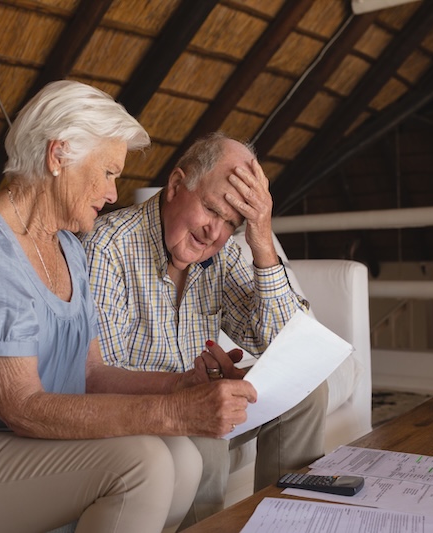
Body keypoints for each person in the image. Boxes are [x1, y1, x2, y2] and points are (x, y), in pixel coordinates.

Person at [0, 81, 257, 533]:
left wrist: (179, 386)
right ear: (57, 157)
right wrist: (172, 413)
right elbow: (23, 407)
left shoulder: (67, 247)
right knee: (143, 461)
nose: (113, 193)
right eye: (108, 173)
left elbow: (90, 376)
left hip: (12, 443)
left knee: (183, 458)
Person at [81, 131, 328, 528]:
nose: (215, 232)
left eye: (231, 222)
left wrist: (262, 239)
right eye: (211, 209)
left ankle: (283, 524)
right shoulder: (109, 248)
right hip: (150, 412)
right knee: (206, 433)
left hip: (197, 395)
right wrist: (189, 387)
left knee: (307, 392)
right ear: (176, 185)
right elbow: (97, 379)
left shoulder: (223, 253)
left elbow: (288, 342)